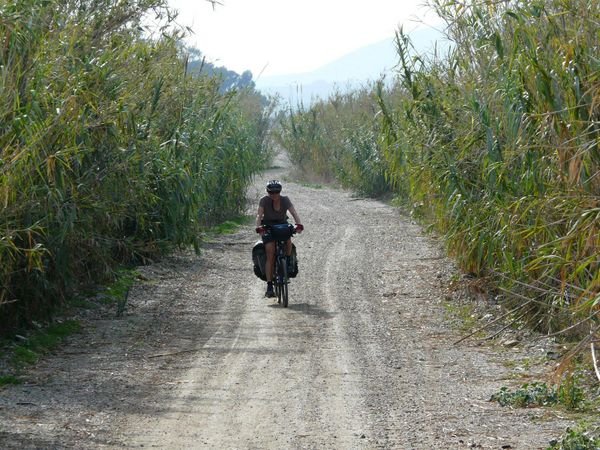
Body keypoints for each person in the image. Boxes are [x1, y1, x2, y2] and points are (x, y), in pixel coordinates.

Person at [255, 180, 303, 297]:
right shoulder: (264, 200)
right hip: (268, 227)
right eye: (271, 192)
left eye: (277, 192)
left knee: (288, 242)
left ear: (280, 192)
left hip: (282, 225)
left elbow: (294, 212)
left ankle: (286, 262)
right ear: (267, 192)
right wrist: (258, 227)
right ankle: (270, 285)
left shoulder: (285, 199)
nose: (274, 194)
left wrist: (299, 224)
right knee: (270, 253)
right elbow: (259, 215)